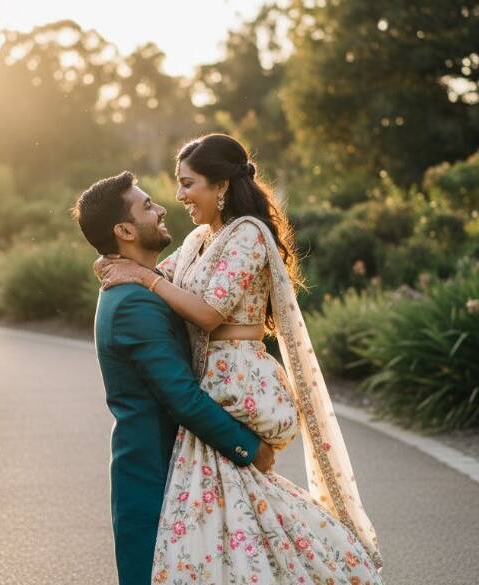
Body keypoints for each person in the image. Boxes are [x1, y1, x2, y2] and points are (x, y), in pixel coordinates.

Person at [97, 134, 385, 584]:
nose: (179, 196)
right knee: (234, 510)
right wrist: (118, 265)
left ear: (222, 186)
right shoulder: (197, 239)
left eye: (188, 183)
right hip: (211, 380)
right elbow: (161, 275)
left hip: (237, 382)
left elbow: (208, 313)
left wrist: (141, 278)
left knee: (233, 500)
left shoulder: (248, 233)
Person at [71, 171, 276, 585]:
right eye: (147, 206)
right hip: (153, 477)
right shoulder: (132, 304)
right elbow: (181, 397)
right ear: (125, 230)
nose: (162, 207)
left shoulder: (149, 284)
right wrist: (250, 448)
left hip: (178, 475)